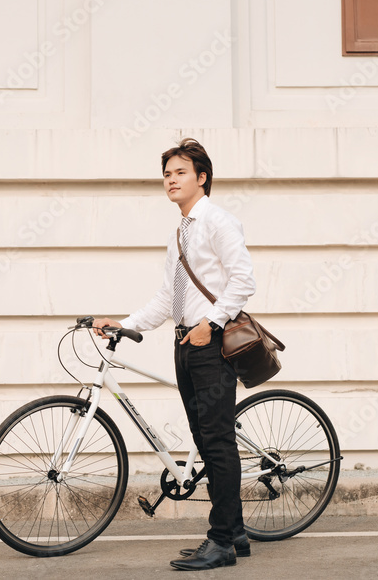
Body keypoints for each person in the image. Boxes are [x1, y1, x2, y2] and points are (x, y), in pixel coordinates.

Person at [94, 138, 256, 571]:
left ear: (201, 178)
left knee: (218, 444)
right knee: (205, 442)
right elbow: (168, 298)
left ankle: (220, 542)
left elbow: (243, 281)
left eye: (180, 172)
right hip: (185, 345)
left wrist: (212, 324)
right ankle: (236, 530)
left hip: (211, 345)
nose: (171, 179)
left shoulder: (219, 222)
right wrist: (126, 323)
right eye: (166, 173)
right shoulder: (179, 233)